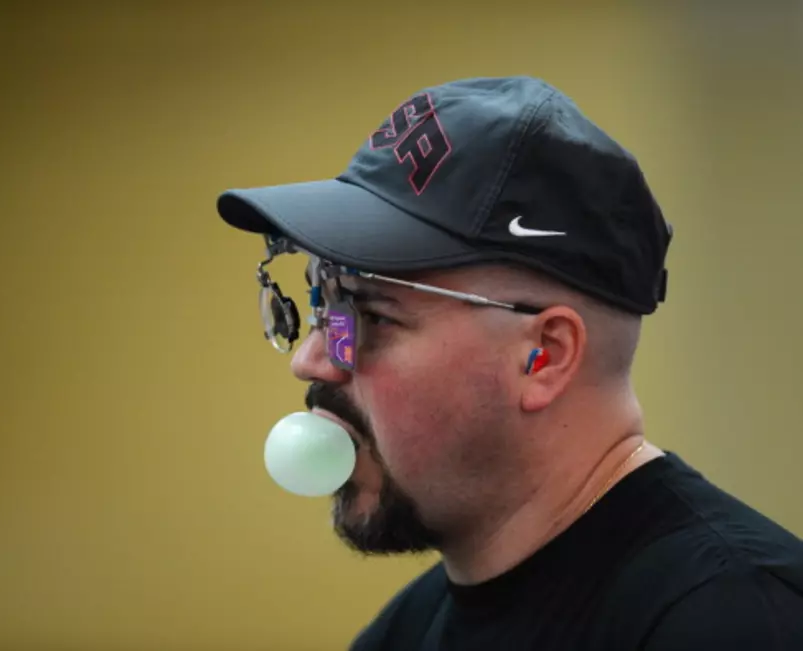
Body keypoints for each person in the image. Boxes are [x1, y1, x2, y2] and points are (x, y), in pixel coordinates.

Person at [215, 76, 803, 650]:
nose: (312, 360)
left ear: (545, 356)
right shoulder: (405, 630)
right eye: (323, 304)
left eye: (369, 314)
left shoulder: (736, 617)